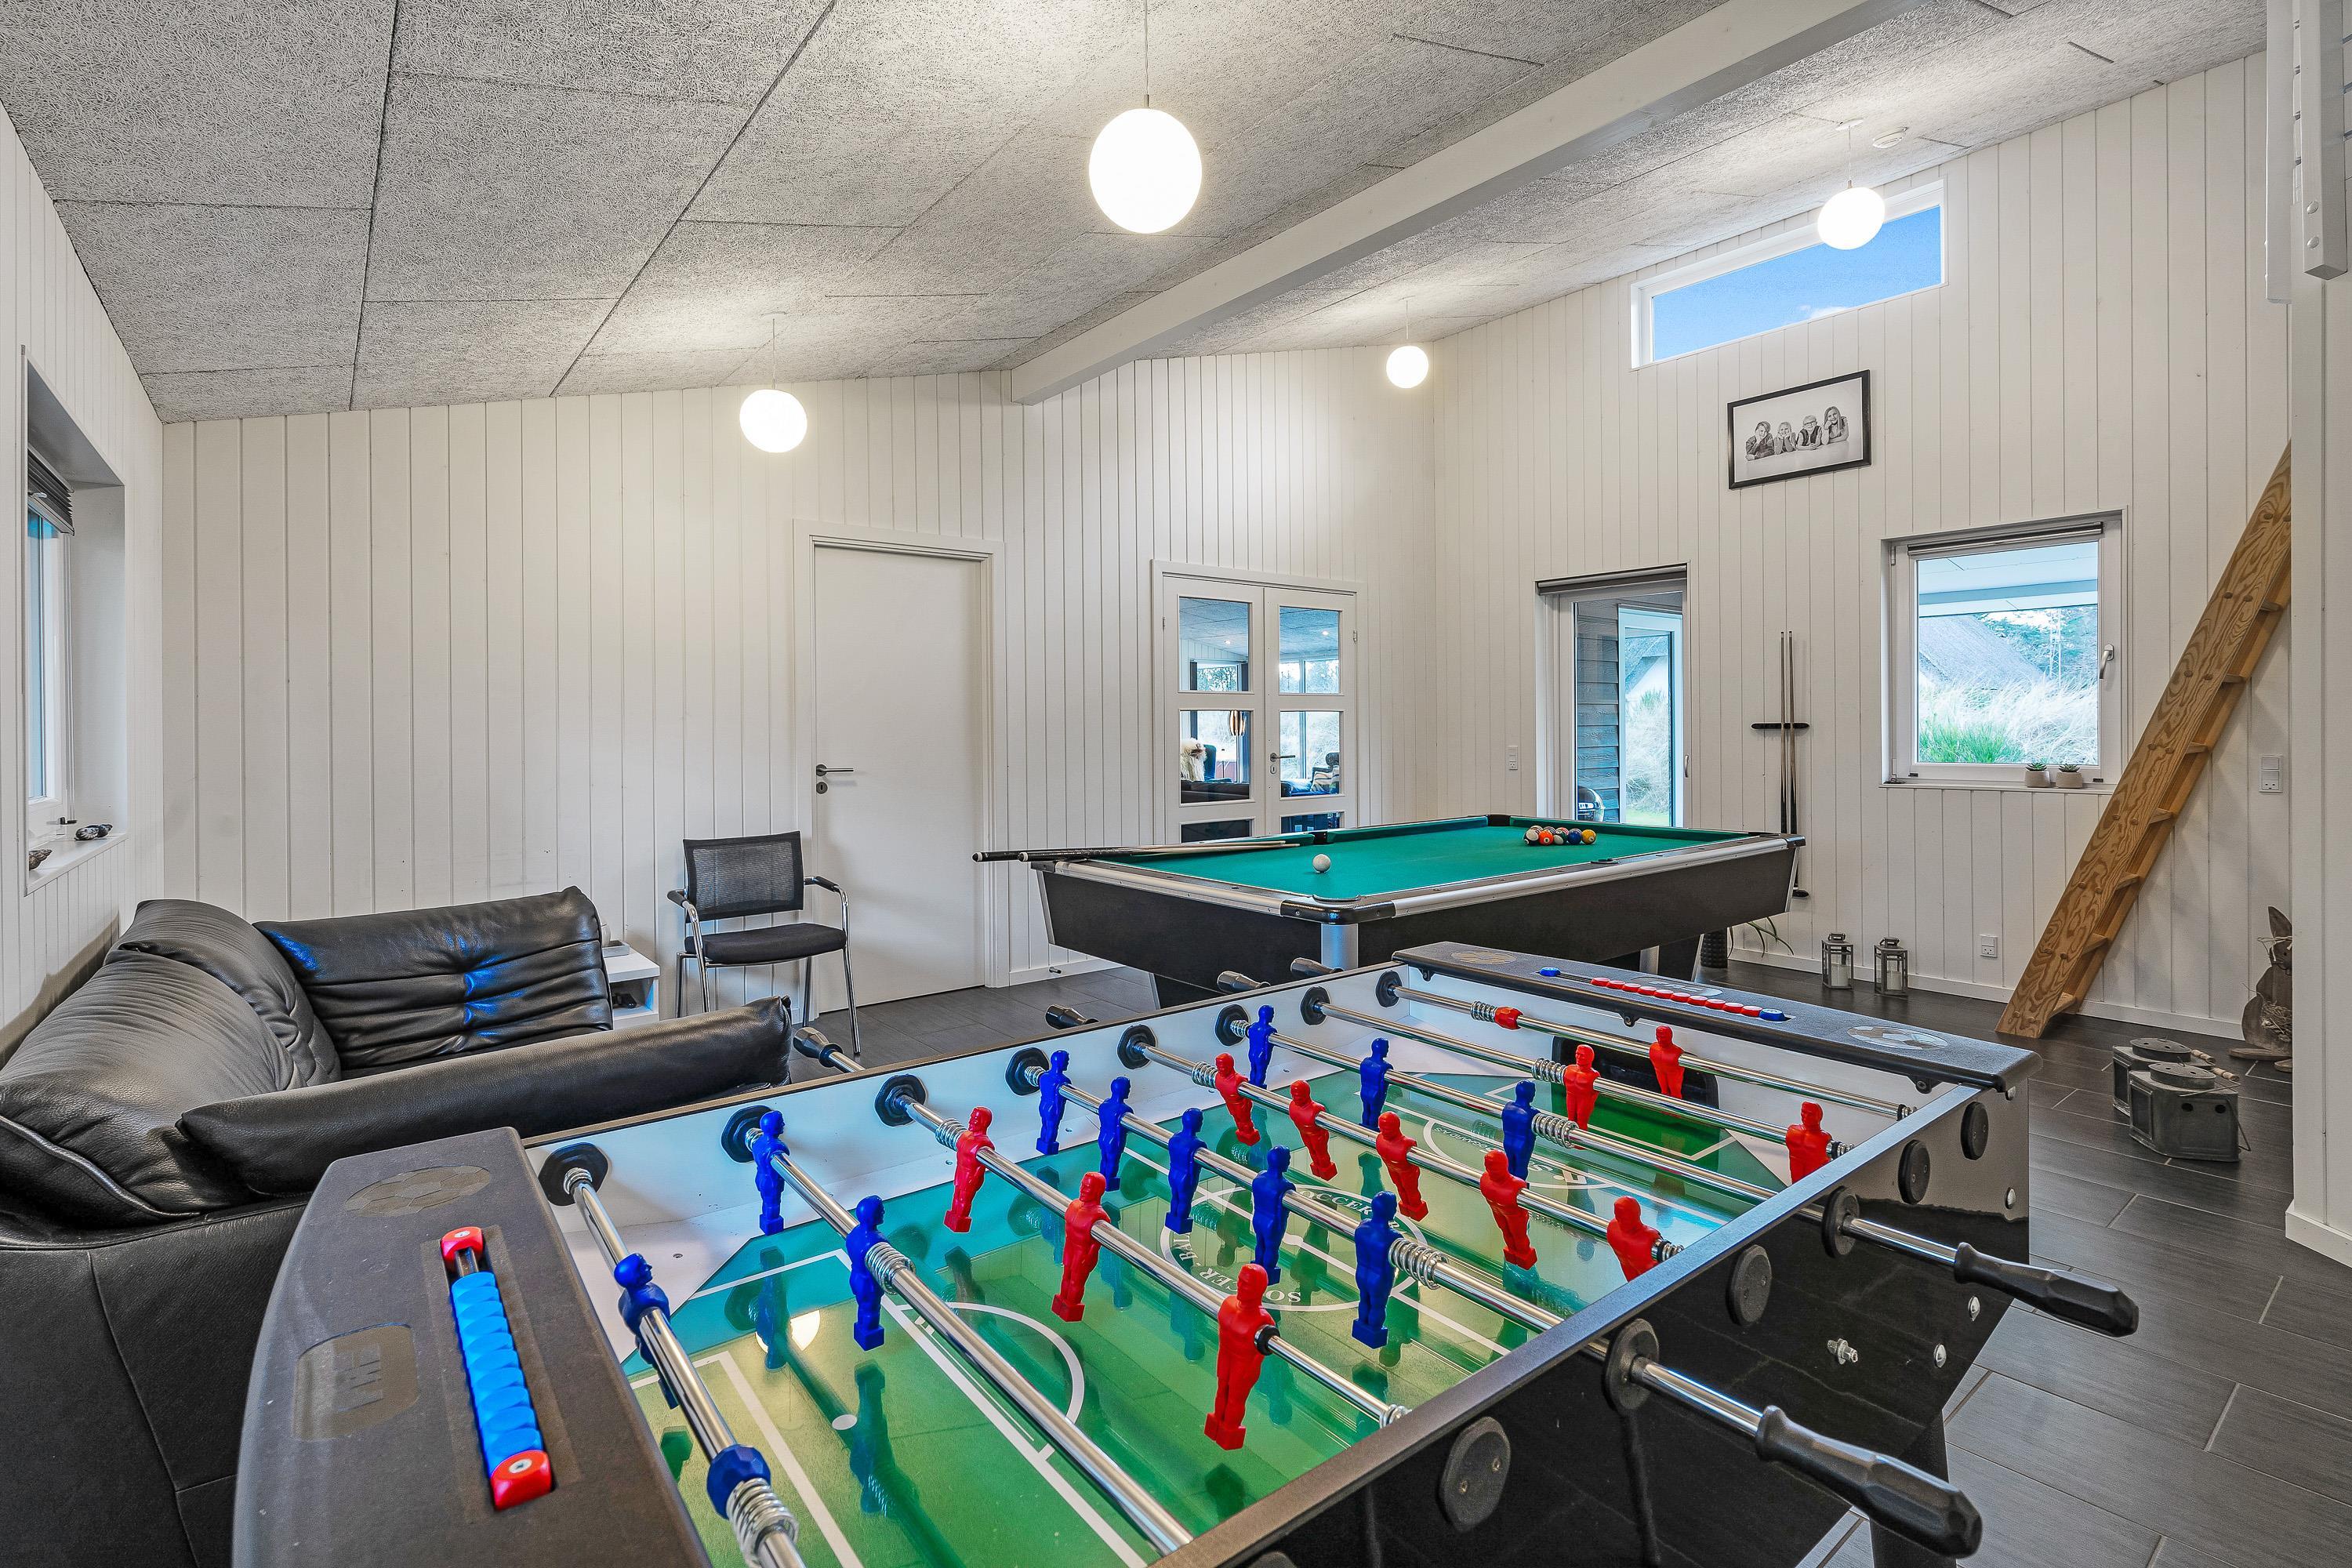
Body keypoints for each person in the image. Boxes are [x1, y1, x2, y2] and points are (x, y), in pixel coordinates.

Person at [1203, 1263, 1276, 1450]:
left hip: (1244, 1363)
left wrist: (1253, 1369)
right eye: (1240, 1281)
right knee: (1222, 1389)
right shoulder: (1228, 1303)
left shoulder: (1263, 1319)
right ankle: (1216, 1422)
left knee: (1235, 1398)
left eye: (1247, 1284)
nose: (1241, 1287)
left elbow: (1264, 1349)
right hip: (1225, 1354)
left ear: (1259, 1289)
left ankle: (1229, 1431)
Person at [1051, 1171, 1109, 1322]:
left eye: (1087, 1187)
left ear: (1097, 1191)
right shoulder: (1074, 1205)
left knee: (1076, 1281)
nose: (1083, 1189)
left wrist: (1089, 1258)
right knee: (1066, 1276)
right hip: (1069, 1247)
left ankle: (1071, 1309)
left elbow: (1096, 1244)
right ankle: (1061, 1302)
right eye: (1083, 1185)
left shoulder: (1100, 1216)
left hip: (1083, 1253)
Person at [1350, 1191, 1401, 1349]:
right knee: (1378, 1306)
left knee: (1364, 1299)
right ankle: (1373, 1333)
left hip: (1361, 1273)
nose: (1396, 1210)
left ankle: (1361, 1325)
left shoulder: (1362, 1226)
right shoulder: (1393, 1237)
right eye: (1394, 1207)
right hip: (1380, 1278)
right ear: (1388, 1210)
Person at [943, 1106, 993, 1232]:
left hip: (970, 1177)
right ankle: (953, 1218)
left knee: (963, 1200)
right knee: (956, 1196)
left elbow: (981, 1168)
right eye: (972, 1117)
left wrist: (974, 1180)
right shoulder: (965, 1136)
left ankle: (960, 1222)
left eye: (975, 1119)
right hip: (960, 1172)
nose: (971, 1121)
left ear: (983, 1123)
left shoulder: (984, 1144)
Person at [1374, 1110, 1428, 1219]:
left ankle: (1415, 1209)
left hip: (1406, 1172)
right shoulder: (1380, 1139)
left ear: (1396, 1127)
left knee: (1411, 1191)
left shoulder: (1407, 1143)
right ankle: (1408, 1207)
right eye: (1382, 1129)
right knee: (1401, 1188)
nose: (1384, 1132)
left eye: (1387, 1129)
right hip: (1394, 1170)